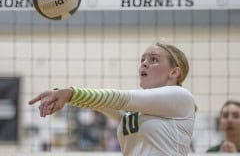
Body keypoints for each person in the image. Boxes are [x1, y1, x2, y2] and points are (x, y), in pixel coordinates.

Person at [29, 42, 197, 156]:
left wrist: (70, 93)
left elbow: (119, 98)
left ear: (174, 72)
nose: (144, 64)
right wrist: (65, 97)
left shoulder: (181, 96)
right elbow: (104, 104)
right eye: (142, 60)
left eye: (153, 59)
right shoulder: (137, 110)